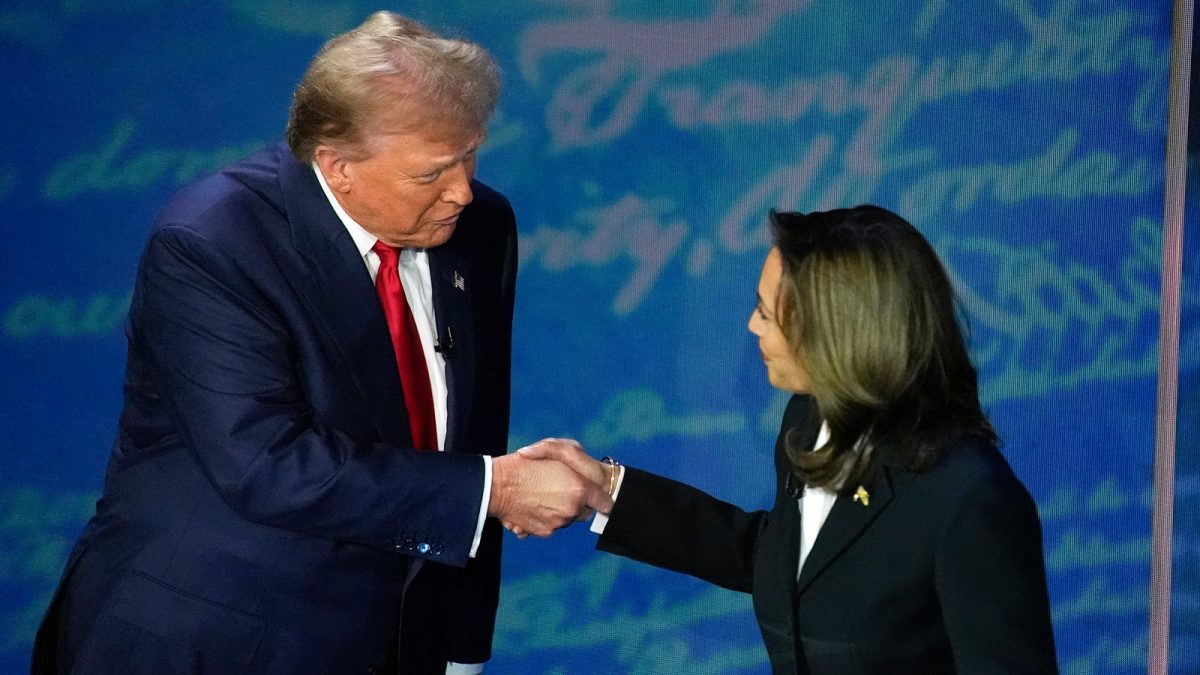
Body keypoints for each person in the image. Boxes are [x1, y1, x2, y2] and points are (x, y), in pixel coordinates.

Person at [31, 11, 610, 675]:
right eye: (433, 172)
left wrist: (460, 648)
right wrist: (498, 489)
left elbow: (473, 431)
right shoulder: (214, 242)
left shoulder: (481, 228)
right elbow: (266, 462)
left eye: (470, 156)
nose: (461, 190)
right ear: (337, 166)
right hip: (211, 639)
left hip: (387, 646)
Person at [521, 206, 1059, 673]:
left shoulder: (968, 498)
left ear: (836, 333)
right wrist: (609, 490)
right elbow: (788, 565)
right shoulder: (807, 418)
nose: (753, 327)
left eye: (766, 312)